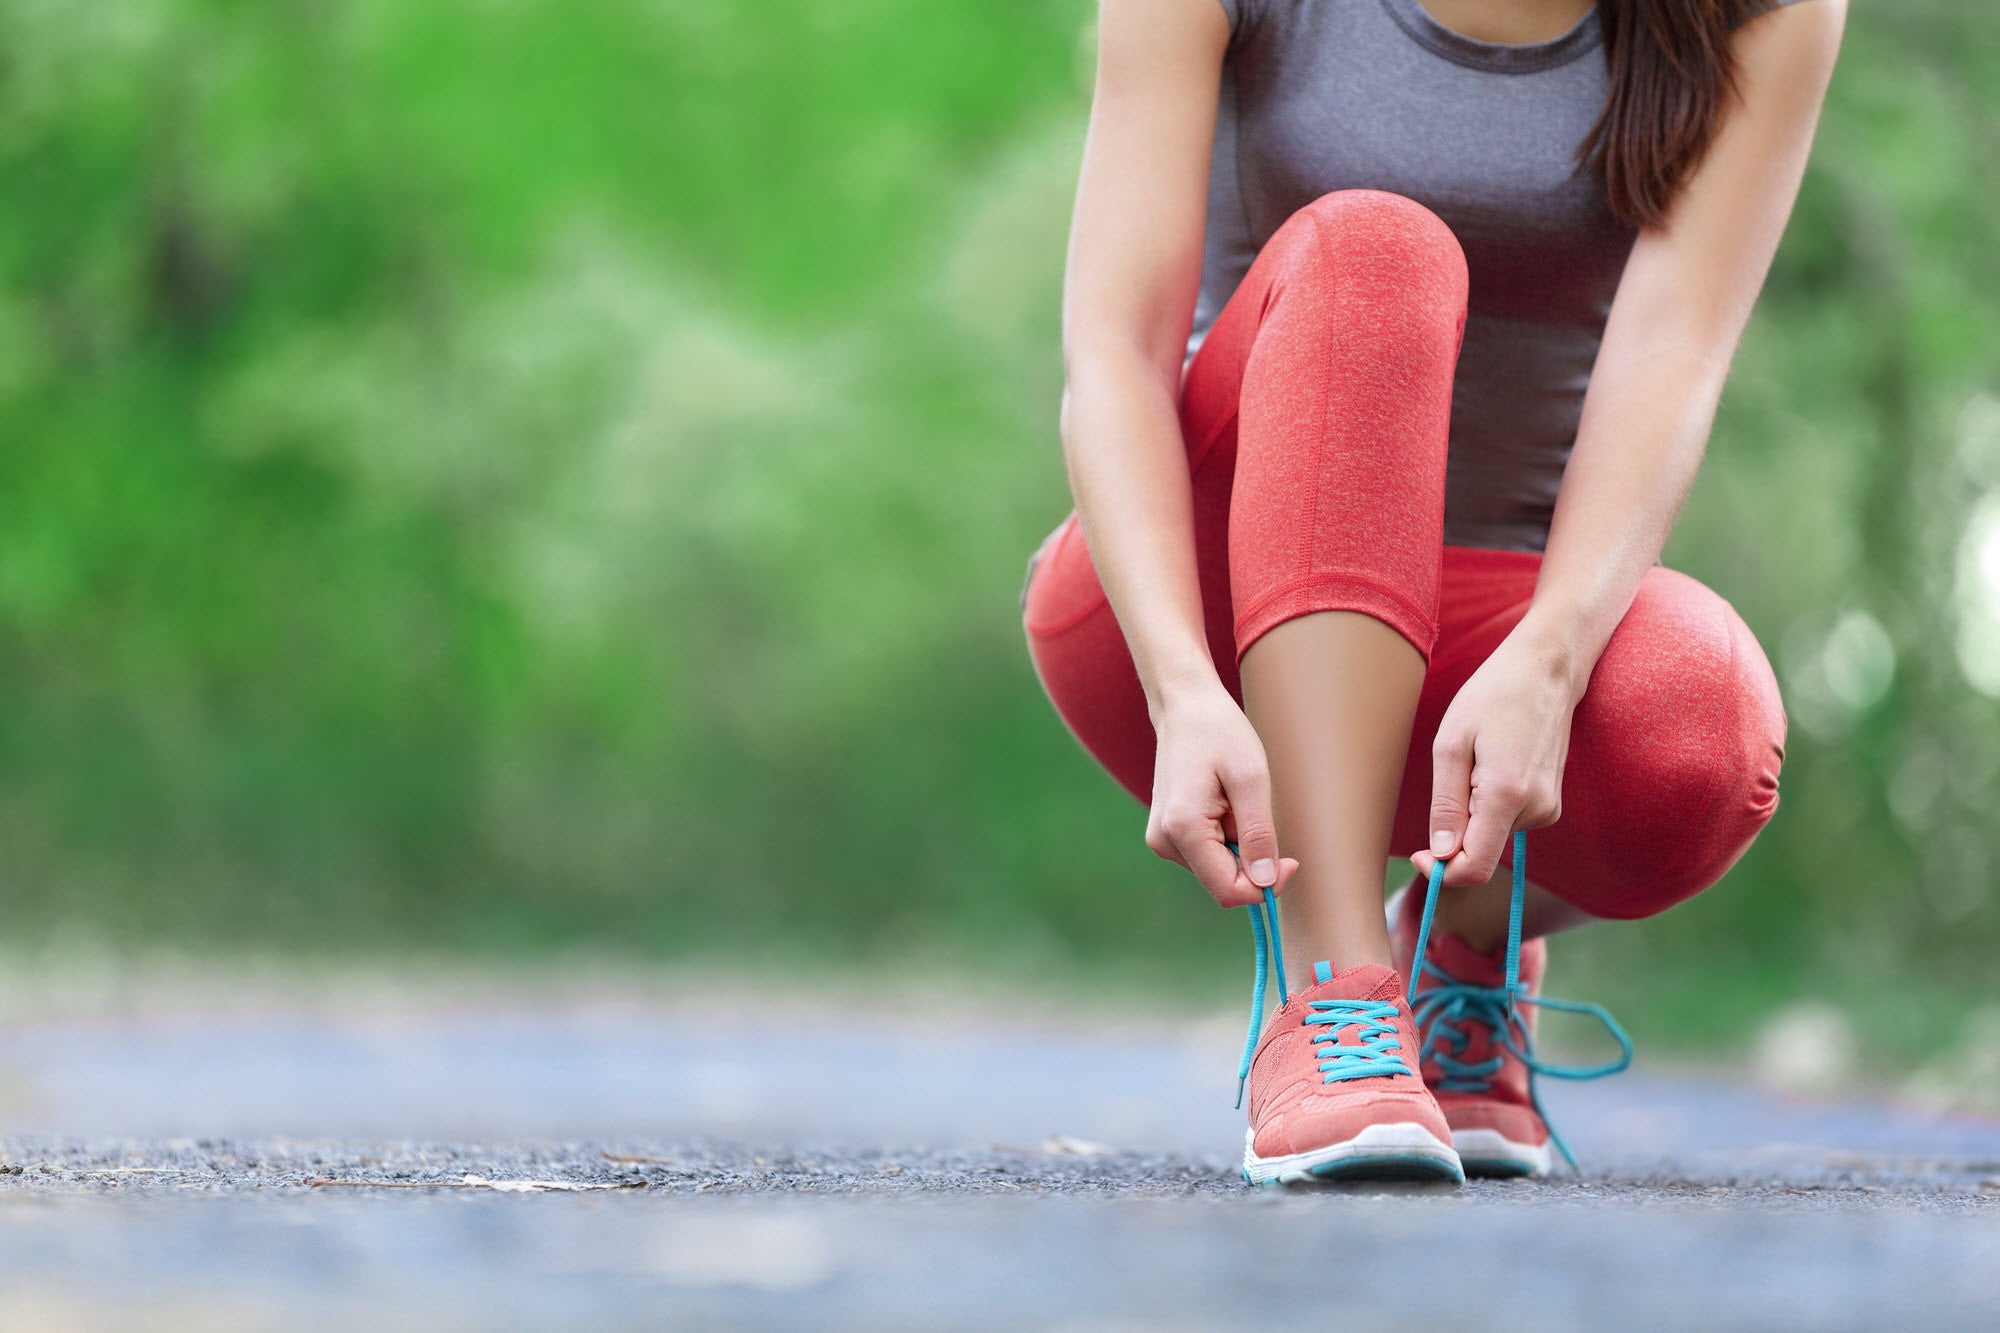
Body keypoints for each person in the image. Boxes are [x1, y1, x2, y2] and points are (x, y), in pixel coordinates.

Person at [1021, 0, 1845, 1184]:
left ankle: (1456, 947)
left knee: (1700, 727)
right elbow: (1112, 351)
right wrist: (1179, 685)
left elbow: (1673, 351)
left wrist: (1552, 658)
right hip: (1194, 611)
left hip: (1490, 640)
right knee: (1373, 249)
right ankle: (1333, 998)